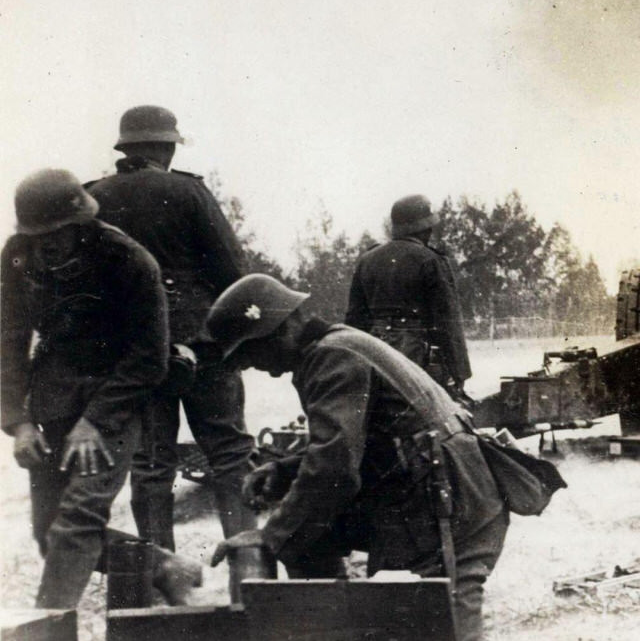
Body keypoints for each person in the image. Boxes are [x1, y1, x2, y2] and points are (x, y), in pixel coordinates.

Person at [205, 274, 509, 641]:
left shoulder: (332, 356)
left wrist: (269, 536)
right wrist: (286, 470)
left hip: (447, 510)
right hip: (427, 495)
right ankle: (331, 626)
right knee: (309, 539)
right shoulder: (336, 347)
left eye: (254, 354)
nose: (261, 369)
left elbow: (334, 469)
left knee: (434, 620)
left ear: (280, 329)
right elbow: (349, 443)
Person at [1, 169, 202, 609]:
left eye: (56, 233)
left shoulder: (129, 260)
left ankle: (46, 631)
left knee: (77, 519)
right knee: (48, 531)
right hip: (53, 397)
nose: (46, 244)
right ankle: (164, 568)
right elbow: (9, 339)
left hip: (114, 397)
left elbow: (149, 357)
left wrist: (96, 420)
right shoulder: (18, 255)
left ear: (80, 223)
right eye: (37, 235)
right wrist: (17, 422)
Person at [86, 106, 256, 588]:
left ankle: (161, 582)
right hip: (203, 344)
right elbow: (231, 271)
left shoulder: (92, 198)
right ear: (167, 147)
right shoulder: (189, 190)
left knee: (151, 465)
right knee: (229, 453)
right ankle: (251, 578)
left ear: (125, 149)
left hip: (137, 354)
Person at [346, 194, 472, 401]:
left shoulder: (367, 260)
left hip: (374, 355)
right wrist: (459, 374)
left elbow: (354, 320)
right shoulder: (431, 260)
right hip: (416, 357)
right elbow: (448, 321)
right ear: (425, 228)